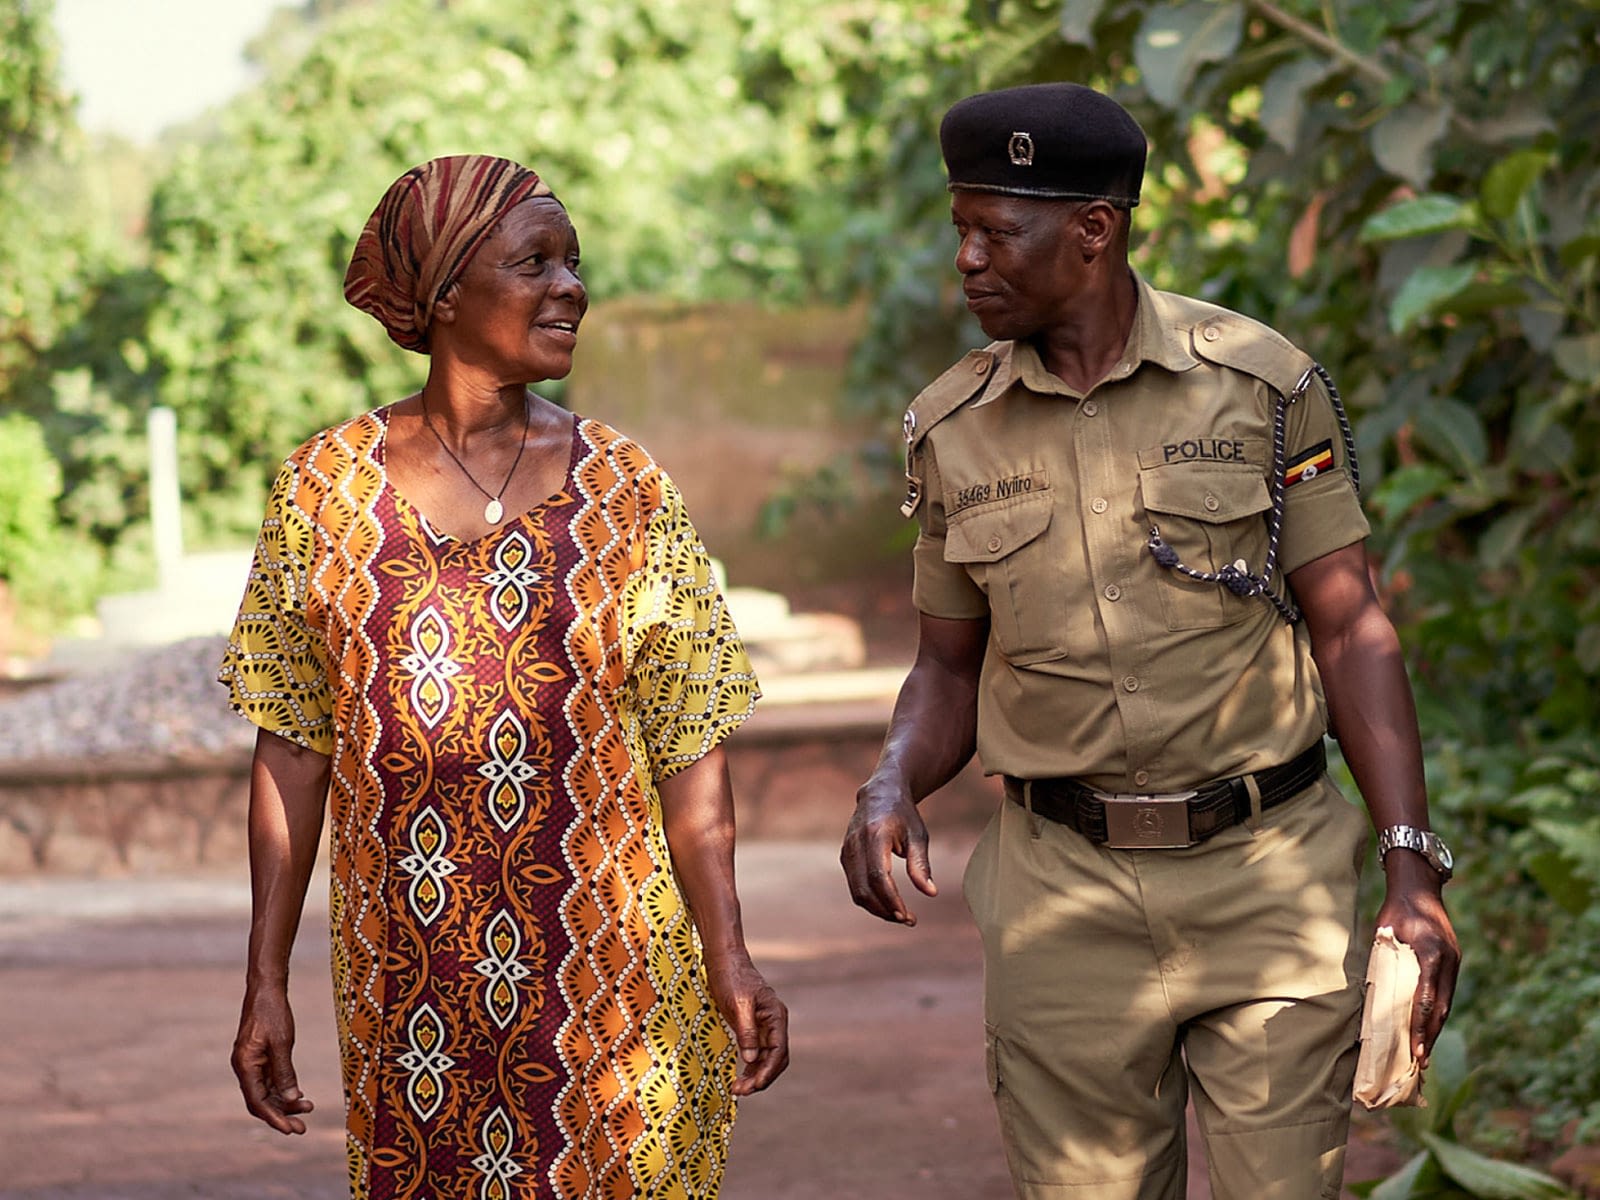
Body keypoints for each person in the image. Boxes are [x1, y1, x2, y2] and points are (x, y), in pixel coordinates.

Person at [840, 84, 1459, 1199]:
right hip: (1058, 899)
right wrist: (891, 780)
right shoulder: (951, 427)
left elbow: (1351, 625)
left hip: (1266, 883)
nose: (968, 261)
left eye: (997, 232)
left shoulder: (1262, 387)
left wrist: (1412, 869)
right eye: (961, 231)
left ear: (1094, 229)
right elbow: (944, 665)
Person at [220, 154, 787, 1200]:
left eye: (574, 262)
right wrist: (264, 981)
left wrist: (732, 955)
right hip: (411, 1001)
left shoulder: (623, 487)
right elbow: (292, 746)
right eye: (536, 262)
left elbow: (687, 738)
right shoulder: (322, 490)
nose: (572, 287)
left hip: (611, 988)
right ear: (442, 294)